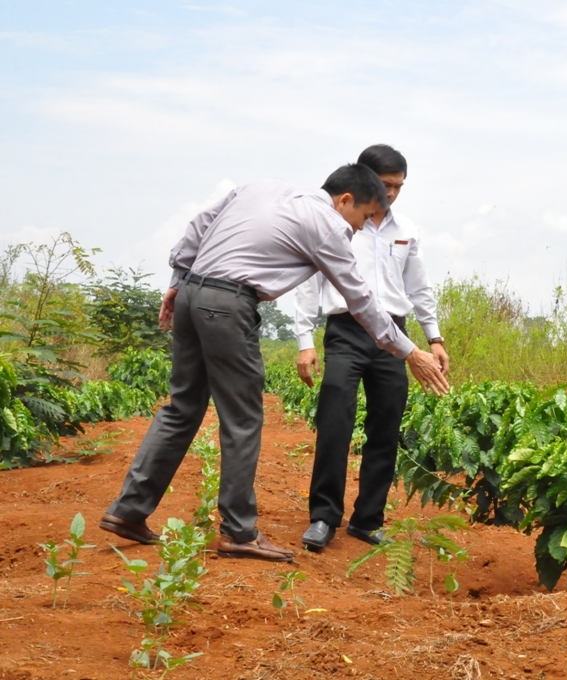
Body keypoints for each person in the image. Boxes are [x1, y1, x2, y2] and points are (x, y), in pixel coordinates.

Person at [99, 164, 449, 562]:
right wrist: (410, 351)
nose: (359, 229)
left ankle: (128, 511)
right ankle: (238, 531)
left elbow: (199, 224)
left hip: (193, 296)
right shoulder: (328, 226)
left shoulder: (262, 187)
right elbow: (361, 299)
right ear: (345, 200)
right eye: (364, 217)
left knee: (182, 408)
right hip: (229, 306)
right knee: (243, 417)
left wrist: (180, 278)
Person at [295, 144, 449, 551]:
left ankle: (368, 519)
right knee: (335, 421)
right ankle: (324, 517)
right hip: (345, 331)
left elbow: (418, 287)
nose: (392, 194)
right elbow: (311, 282)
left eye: (399, 186)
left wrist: (433, 337)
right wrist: (303, 341)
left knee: (385, 428)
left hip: (394, 339)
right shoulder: (336, 223)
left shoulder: (407, 230)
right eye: (385, 185)